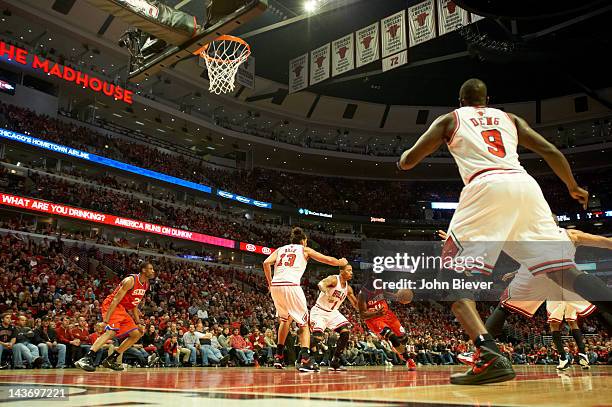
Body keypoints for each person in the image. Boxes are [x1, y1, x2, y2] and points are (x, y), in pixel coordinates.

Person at [397, 78, 612, 384]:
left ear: (460, 101)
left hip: (486, 186)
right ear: (488, 100)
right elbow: (550, 149)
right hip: (526, 187)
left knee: (450, 277)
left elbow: (410, 160)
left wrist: (404, 159)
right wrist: (572, 185)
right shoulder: (510, 119)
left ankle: (488, 355)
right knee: (561, 271)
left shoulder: (450, 120)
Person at [483, 227, 612, 370]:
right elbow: (604, 241)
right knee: (591, 311)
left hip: (540, 279)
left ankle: (481, 350)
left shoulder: (531, 236)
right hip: (567, 277)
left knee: (507, 308)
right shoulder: (568, 233)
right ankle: (582, 355)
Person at [263, 227, 347, 372]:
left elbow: (265, 263)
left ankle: (278, 356)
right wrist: (340, 262)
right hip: (291, 286)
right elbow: (327, 259)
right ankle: (305, 359)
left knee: (285, 320)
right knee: (304, 324)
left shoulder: (280, 249)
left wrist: (270, 283)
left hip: (276, 287)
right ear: (303, 241)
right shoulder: (304, 250)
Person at [75, 262, 155, 372]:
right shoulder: (130, 281)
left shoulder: (146, 284)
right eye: (151, 269)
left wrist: (138, 322)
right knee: (111, 332)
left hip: (122, 309)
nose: (153, 271)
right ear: (143, 270)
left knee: (137, 334)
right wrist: (105, 321)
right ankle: (87, 358)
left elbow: (134, 305)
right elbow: (115, 300)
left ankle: (111, 359)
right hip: (112, 305)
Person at [357, 278, 417, 371]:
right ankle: (409, 360)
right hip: (374, 319)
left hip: (388, 315)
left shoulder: (378, 285)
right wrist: (377, 313)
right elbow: (362, 315)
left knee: (404, 338)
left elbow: (384, 294)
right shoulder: (362, 295)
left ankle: (397, 348)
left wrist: (397, 296)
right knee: (392, 336)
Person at [310, 264, 359, 371]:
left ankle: (335, 361)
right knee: (317, 338)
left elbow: (356, 304)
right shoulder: (333, 279)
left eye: (351, 271)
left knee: (345, 332)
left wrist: (368, 309)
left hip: (333, 313)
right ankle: (303, 357)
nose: (351, 273)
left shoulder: (348, 288)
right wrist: (328, 293)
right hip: (319, 311)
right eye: (349, 270)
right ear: (342, 271)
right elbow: (321, 284)